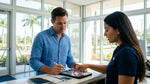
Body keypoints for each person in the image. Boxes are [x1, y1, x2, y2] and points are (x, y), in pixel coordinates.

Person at [75, 11, 146, 84]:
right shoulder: (119, 49)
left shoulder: (127, 54)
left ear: (118, 30)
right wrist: (88, 65)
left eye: (107, 30)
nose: (104, 34)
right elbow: (111, 68)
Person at [30, 7, 78, 75]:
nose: (63, 26)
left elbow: (69, 59)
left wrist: (76, 66)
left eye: (65, 23)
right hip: (44, 78)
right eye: (59, 23)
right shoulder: (41, 37)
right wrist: (50, 70)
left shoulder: (67, 39)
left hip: (62, 78)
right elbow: (33, 61)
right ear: (52, 21)